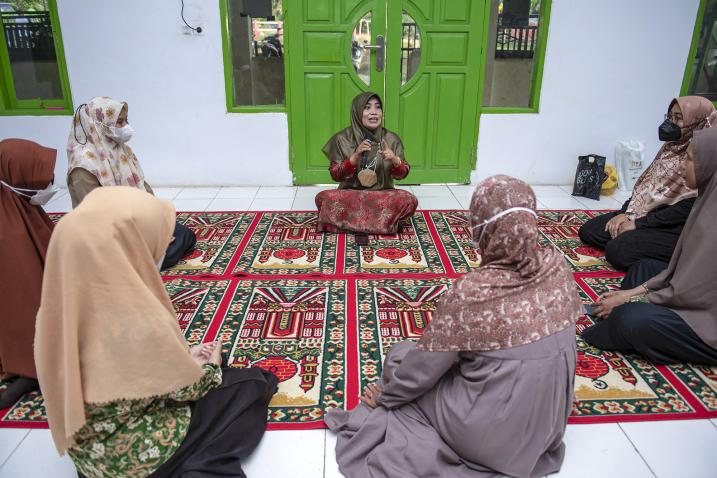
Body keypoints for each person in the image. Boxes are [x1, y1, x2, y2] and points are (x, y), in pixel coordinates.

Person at [326, 176, 581, 478]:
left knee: (401, 355)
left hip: (487, 436)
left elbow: (421, 372)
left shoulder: (473, 292)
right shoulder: (559, 266)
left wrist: (386, 396)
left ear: (483, 226)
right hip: (548, 427)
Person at [34, 187, 278, 478]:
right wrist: (208, 367)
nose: (170, 242)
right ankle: (201, 466)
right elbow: (190, 388)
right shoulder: (133, 315)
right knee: (250, 384)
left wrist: (181, 357)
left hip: (92, 462)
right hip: (145, 459)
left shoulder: (56, 313)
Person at [582, 126, 717, 366]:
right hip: (693, 295)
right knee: (643, 268)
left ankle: (622, 321)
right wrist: (631, 293)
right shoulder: (708, 196)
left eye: (688, 159)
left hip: (708, 320)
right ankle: (624, 315)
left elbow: (691, 293)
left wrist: (632, 300)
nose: (682, 165)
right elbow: (681, 273)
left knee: (631, 318)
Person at [578, 96, 716, 274]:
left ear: (697, 121)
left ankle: (668, 259)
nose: (671, 123)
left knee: (618, 250)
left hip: (678, 226)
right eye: (670, 116)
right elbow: (647, 187)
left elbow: (688, 208)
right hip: (648, 213)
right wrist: (628, 214)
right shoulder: (671, 148)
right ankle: (640, 241)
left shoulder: (705, 155)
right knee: (590, 231)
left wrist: (639, 224)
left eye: (679, 118)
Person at [66, 96, 196, 269]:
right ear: (98, 123)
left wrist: (156, 220)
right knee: (172, 246)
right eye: (119, 122)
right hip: (110, 235)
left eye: (125, 121)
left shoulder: (120, 149)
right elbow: (94, 216)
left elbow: (144, 189)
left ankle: (145, 260)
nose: (125, 127)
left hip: (137, 224)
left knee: (185, 235)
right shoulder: (84, 165)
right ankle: (138, 264)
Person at [0, 139, 58, 409]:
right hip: (25, 330)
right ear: (15, 176)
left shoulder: (20, 207)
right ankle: (29, 370)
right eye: (41, 179)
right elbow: (23, 305)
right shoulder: (8, 234)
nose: (49, 185)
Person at [315, 92, 418, 244]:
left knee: (409, 201)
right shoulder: (342, 139)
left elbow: (402, 175)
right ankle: (384, 223)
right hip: (351, 195)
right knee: (323, 198)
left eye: (378, 107)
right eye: (367, 108)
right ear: (357, 112)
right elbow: (335, 175)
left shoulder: (391, 139)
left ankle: (350, 224)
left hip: (382, 195)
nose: (374, 112)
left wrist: (396, 160)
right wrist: (353, 159)